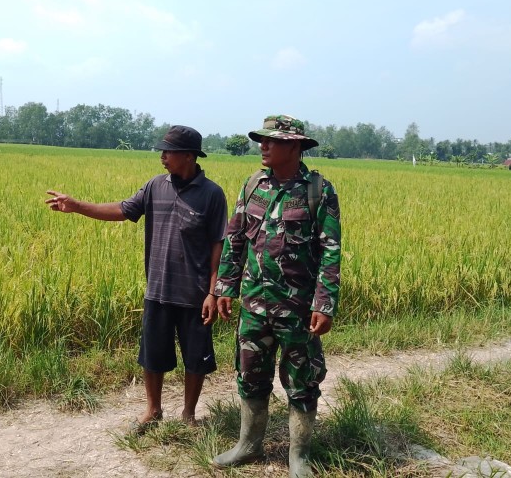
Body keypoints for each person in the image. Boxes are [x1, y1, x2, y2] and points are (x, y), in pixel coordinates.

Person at [45, 125, 227, 431]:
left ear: (188, 156)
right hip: (157, 288)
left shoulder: (212, 194)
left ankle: (188, 414)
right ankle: (153, 410)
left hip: (194, 294)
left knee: (196, 358)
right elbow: (122, 209)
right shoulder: (155, 186)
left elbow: (217, 246)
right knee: (152, 355)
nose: (163, 156)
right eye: (162, 151)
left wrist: (213, 292)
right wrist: (78, 207)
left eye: (168, 151)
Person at [212, 115, 341, 478]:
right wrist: (224, 287)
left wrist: (324, 303)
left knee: (302, 379)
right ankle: (248, 445)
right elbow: (235, 238)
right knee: (250, 374)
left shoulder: (319, 190)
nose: (263, 146)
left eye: (272, 140)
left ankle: (299, 456)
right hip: (254, 304)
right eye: (261, 140)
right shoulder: (254, 184)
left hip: (298, 308)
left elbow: (330, 250)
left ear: (295, 146)